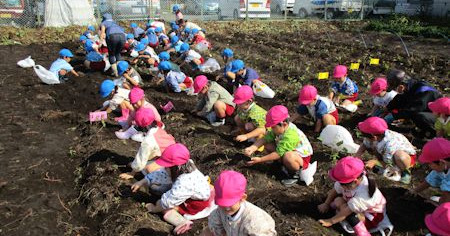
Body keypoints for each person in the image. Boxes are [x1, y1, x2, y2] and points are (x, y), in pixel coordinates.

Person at [144, 143, 213, 235]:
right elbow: (163, 174)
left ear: (175, 168)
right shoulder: (188, 165)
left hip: (195, 204)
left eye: (167, 167)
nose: (165, 168)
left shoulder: (184, 183)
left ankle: (182, 223)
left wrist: (154, 208)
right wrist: (144, 181)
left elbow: (167, 202)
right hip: (197, 191)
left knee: (165, 209)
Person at [244, 105, 315, 187]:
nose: (271, 128)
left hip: (301, 158)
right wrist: (252, 148)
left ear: (284, 124)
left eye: (273, 127)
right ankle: (279, 164)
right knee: (268, 144)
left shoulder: (290, 135)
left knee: (288, 156)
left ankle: (294, 175)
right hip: (286, 151)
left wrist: (260, 159)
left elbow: (278, 154)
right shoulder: (279, 129)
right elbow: (265, 138)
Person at [318, 156, 387, 236]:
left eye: (342, 184)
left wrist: (330, 221)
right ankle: (340, 215)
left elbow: (347, 211)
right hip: (355, 204)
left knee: (347, 213)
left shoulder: (364, 194)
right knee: (337, 201)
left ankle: (363, 232)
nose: (340, 185)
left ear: (355, 181)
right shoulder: (347, 183)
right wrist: (326, 203)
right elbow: (335, 190)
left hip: (371, 215)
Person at [200, 170, 277, 236]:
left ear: (242, 198)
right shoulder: (219, 211)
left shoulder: (256, 222)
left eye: (230, 203)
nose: (226, 208)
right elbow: (214, 227)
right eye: (223, 204)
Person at [355, 117, 416, 184]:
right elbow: (364, 144)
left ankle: (405, 171)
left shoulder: (390, 144)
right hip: (388, 155)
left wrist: (375, 162)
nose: (365, 137)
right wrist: (357, 155)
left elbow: (389, 163)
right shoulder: (376, 135)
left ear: (374, 137)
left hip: (406, 157)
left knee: (400, 157)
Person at [119, 108, 176, 180]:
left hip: (170, 164)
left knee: (147, 169)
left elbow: (141, 159)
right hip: (171, 156)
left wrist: (131, 173)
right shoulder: (158, 129)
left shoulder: (148, 141)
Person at [386, 69, 441, 138]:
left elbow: (413, 110)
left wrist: (394, 116)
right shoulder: (410, 88)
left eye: (395, 88)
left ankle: (433, 135)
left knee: (420, 117)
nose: (395, 91)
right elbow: (398, 99)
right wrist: (387, 109)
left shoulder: (424, 91)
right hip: (427, 113)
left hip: (440, 117)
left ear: (401, 86)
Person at [410, 138, 450, 204]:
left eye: (429, 163)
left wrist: (440, 208)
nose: (428, 166)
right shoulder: (442, 167)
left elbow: (447, 195)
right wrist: (415, 191)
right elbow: (431, 179)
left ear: (441, 162)